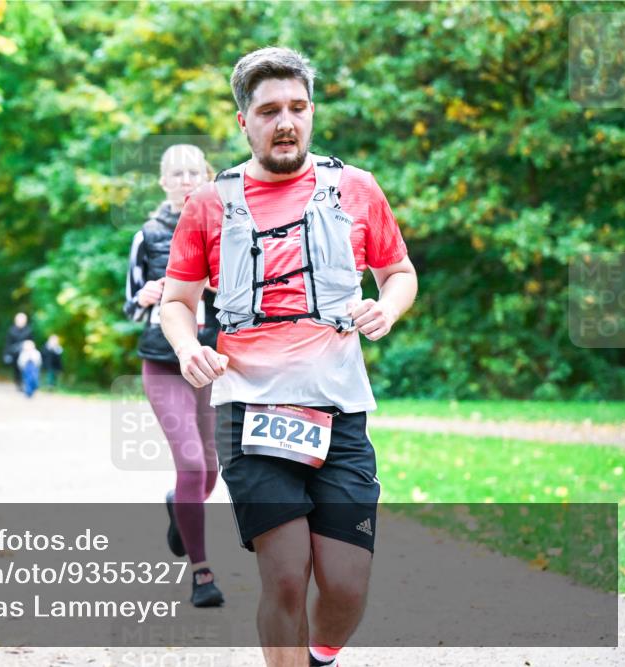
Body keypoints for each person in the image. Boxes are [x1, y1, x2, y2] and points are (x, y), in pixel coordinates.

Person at [159, 47, 418, 666]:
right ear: (243, 121)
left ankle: (320, 656)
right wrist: (188, 346)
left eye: (298, 108)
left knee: (346, 587)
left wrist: (387, 309)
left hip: (339, 411)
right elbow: (176, 301)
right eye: (269, 111)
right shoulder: (210, 204)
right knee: (284, 577)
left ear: (312, 112)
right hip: (250, 412)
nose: (286, 123)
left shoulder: (355, 189)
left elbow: (399, 273)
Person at [123, 143, 224, 608]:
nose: (186, 180)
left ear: (207, 177)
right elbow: (128, 306)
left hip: (210, 361)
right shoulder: (147, 235)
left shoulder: (226, 227)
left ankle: (178, 504)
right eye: (177, 174)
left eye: (193, 172)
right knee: (191, 464)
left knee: (210, 470)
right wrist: (144, 296)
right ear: (163, 182)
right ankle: (202, 573)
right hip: (163, 361)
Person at [3, 312, 33, 391]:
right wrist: (6, 354)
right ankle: (18, 383)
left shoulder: (29, 330)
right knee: (16, 369)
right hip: (15, 354)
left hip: (26, 354)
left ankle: (25, 383)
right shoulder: (11, 330)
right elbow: (8, 344)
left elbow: (32, 342)